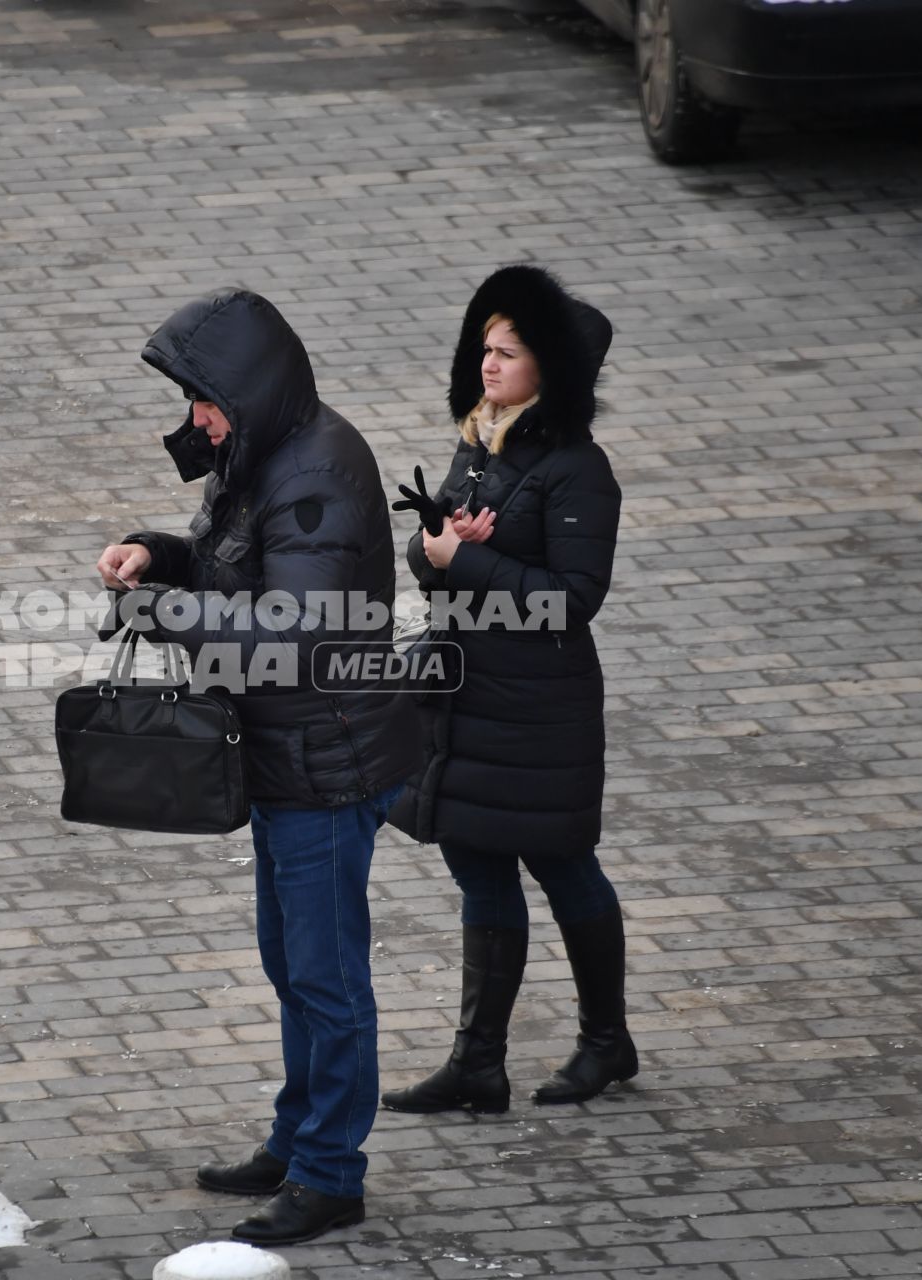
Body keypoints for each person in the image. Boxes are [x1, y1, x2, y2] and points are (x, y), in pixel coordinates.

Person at [95, 288, 420, 1246]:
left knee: (324, 975)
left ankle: (330, 1174)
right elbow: (228, 565)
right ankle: (296, 1139)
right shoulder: (258, 452)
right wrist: (159, 557)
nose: (193, 419)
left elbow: (302, 630)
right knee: (293, 965)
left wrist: (161, 615)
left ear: (247, 389)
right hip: (287, 753)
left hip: (330, 760)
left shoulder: (318, 467)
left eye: (203, 399)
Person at [383, 265, 635, 1116]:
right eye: (485, 349)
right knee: (479, 870)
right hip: (463, 700)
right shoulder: (479, 442)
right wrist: (440, 547)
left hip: (538, 709)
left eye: (510, 352)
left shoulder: (578, 471)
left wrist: (471, 560)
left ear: (549, 369)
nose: (488, 366)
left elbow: (572, 600)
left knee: (565, 868)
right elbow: (430, 566)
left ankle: (607, 1042)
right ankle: (477, 1064)